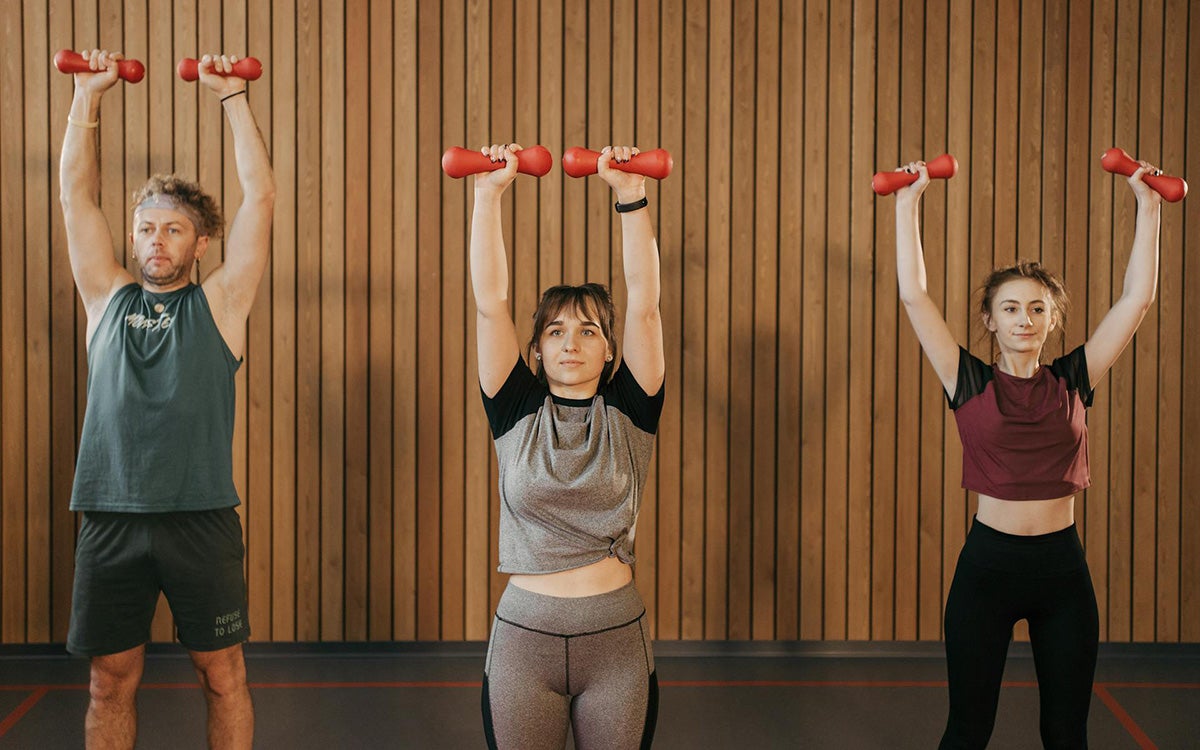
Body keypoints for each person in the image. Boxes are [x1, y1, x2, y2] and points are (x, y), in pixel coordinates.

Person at [893, 157, 1161, 748]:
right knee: (968, 730)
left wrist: (1148, 208)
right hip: (987, 570)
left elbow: (1137, 299)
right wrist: (908, 202)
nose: (1024, 319)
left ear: (1052, 321)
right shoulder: (967, 380)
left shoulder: (1074, 379)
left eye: (1038, 309)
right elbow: (914, 296)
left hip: (1062, 573)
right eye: (1011, 308)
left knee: (1066, 732)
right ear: (990, 320)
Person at [59, 50, 274, 749]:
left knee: (222, 676)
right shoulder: (106, 297)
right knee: (108, 682)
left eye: (173, 228)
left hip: (201, 518)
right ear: (132, 236)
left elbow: (262, 198)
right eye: (147, 227)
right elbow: (74, 197)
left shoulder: (220, 305)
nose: (157, 239)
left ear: (200, 242)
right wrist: (87, 98)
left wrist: (232, 97)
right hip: (111, 516)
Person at [470, 143, 665, 749]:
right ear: (536, 351)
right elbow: (489, 302)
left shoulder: (631, 411)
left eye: (588, 330)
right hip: (524, 640)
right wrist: (487, 196)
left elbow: (646, 303)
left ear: (610, 349)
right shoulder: (515, 409)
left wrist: (629, 195)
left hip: (616, 643)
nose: (570, 343)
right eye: (555, 331)